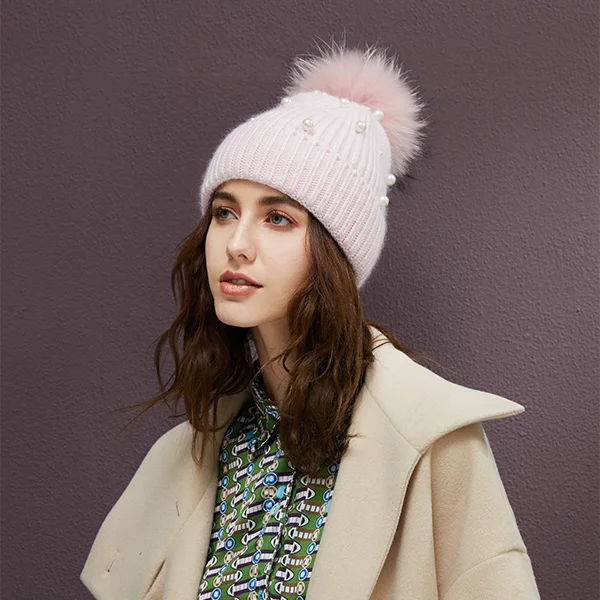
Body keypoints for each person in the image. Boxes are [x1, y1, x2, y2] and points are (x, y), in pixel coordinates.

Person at [80, 39, 541, 599]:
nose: (237, 244)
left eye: (277, 218)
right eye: (224, 212)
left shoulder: (432, 441)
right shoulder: (186, 457)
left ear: (333, 252)